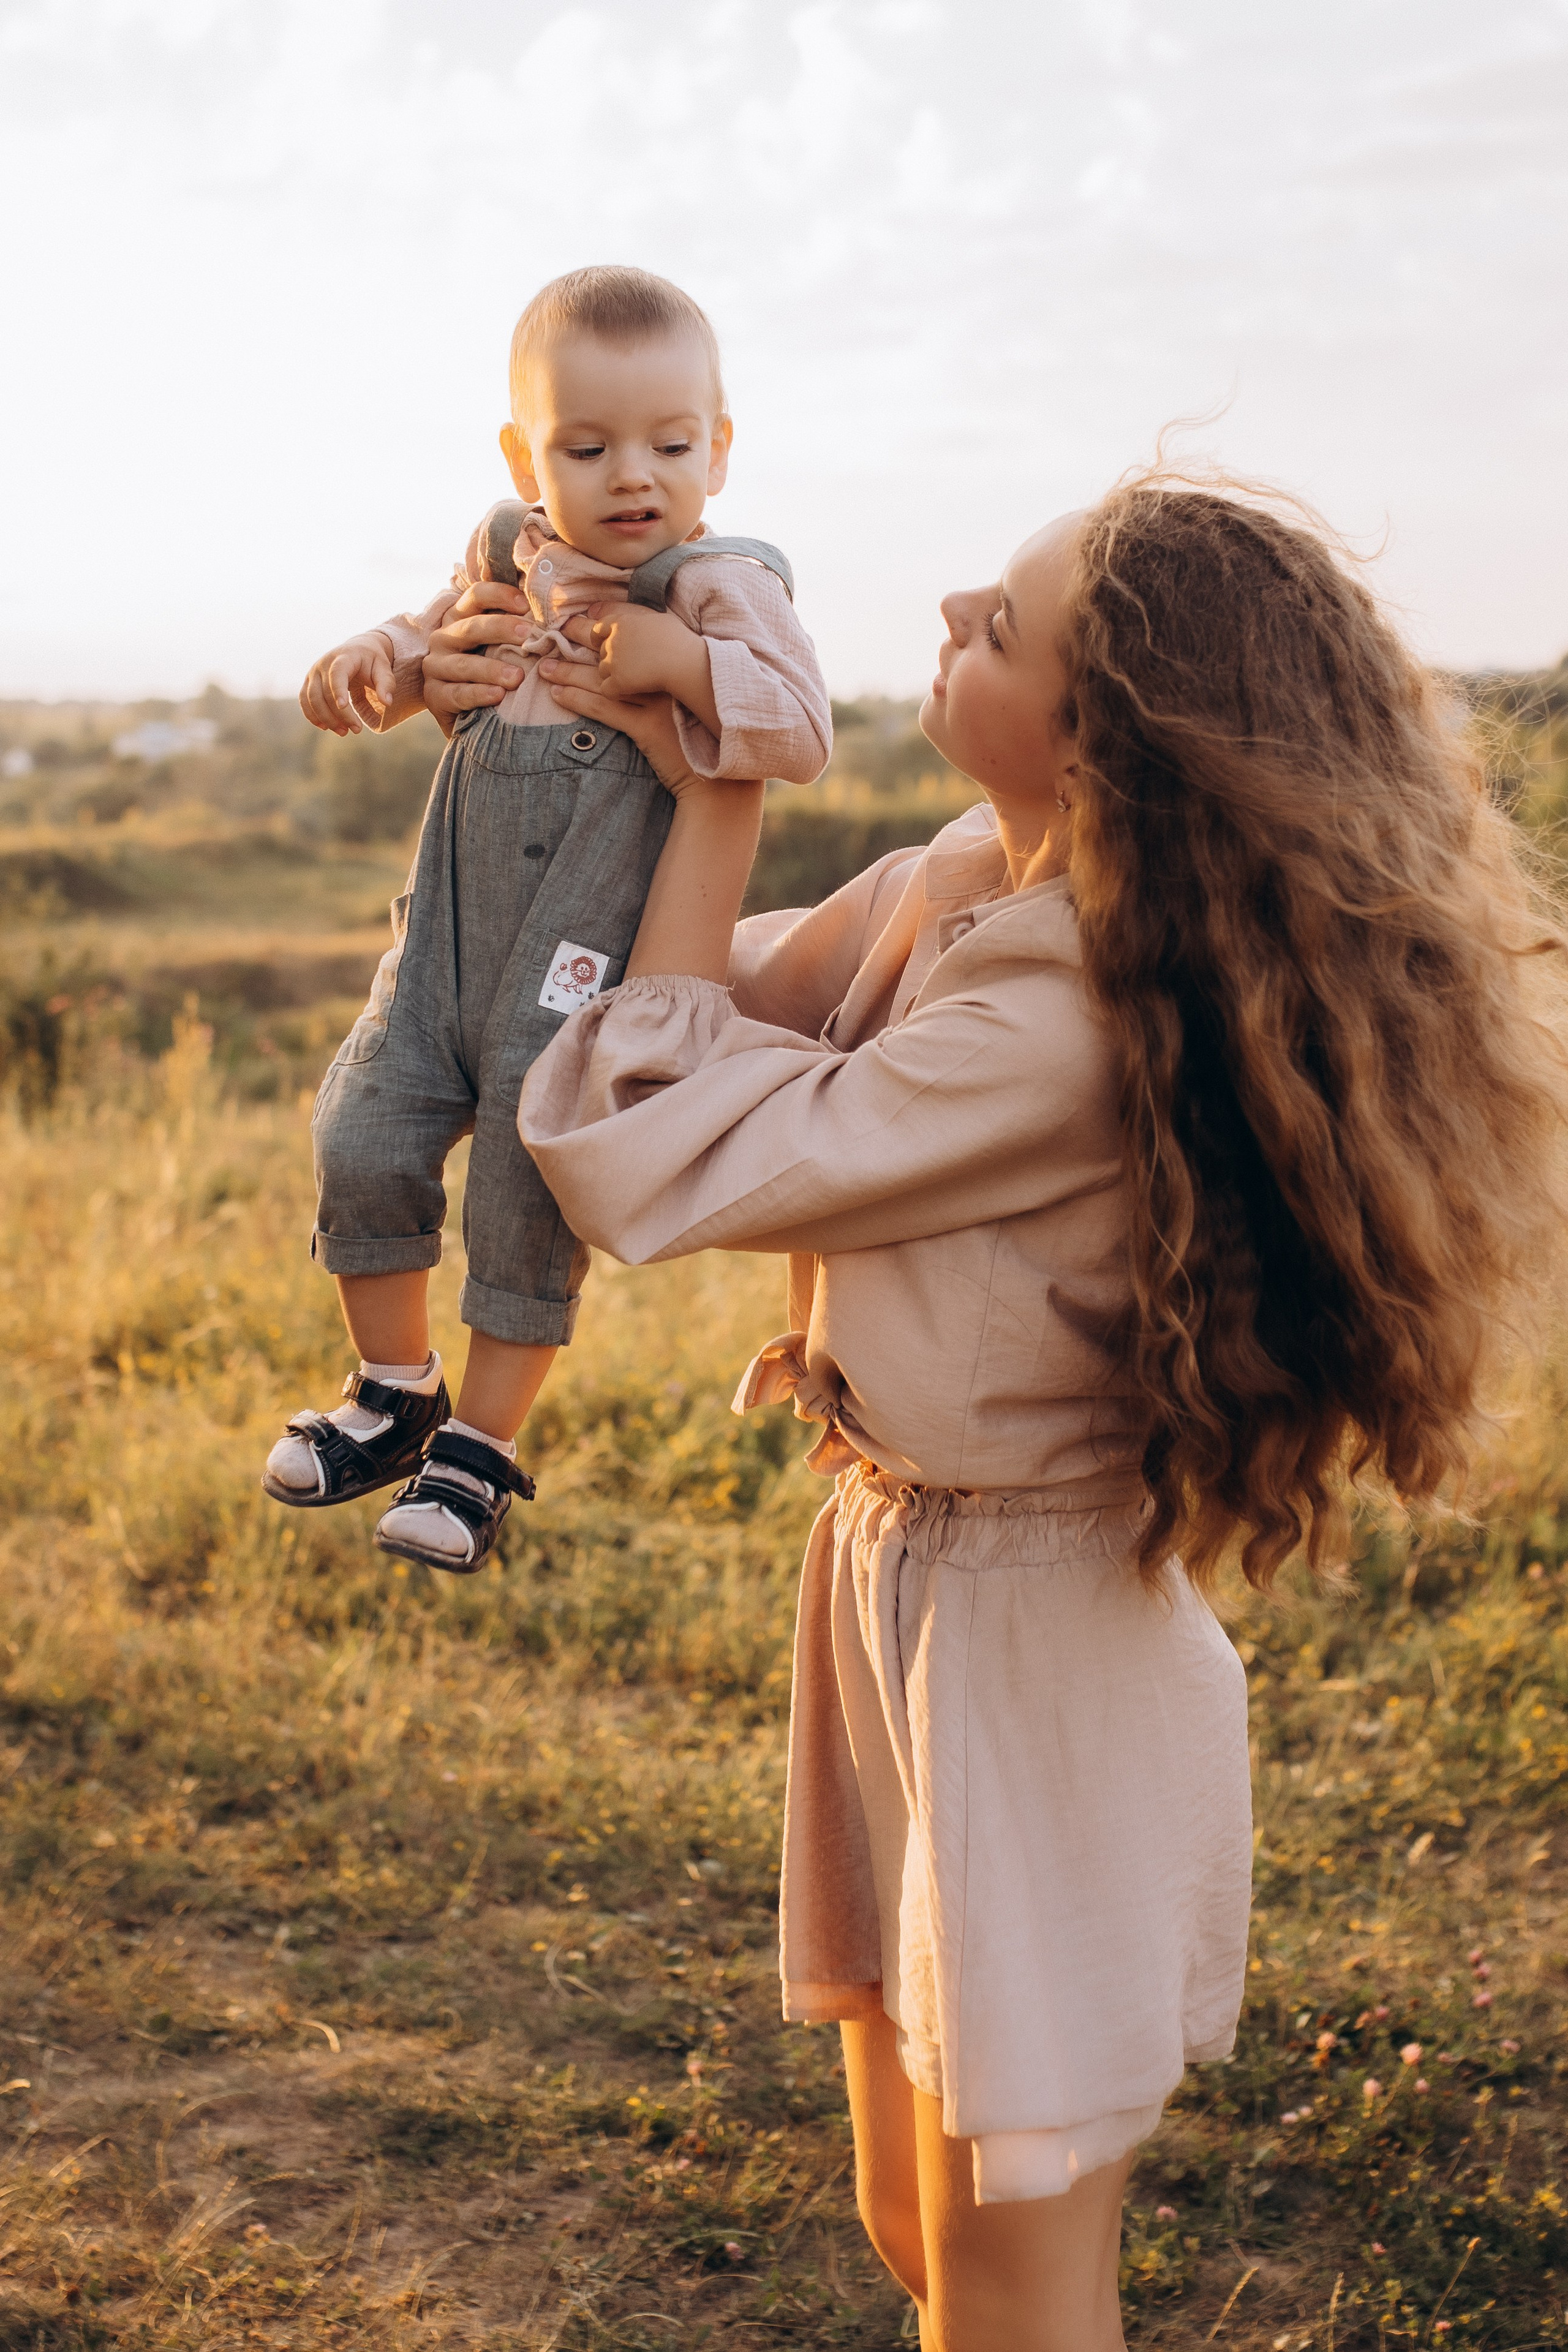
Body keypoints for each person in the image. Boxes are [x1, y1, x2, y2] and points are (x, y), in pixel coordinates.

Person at [423, 473, 1565, 2349]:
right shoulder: (975, 878)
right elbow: (689, 993)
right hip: (899, 1585)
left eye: (1007, 623)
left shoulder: (1071, 1017)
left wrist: (727, 782)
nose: (954, 600)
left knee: (1016, 2298)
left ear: (1110, 747)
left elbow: (644, 1148)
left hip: (1028, 1653)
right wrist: (604, 720)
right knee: (913, 2227)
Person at [262, 266, 831, 1572]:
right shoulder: (499, 557)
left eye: (671, 445)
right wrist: (371, 661)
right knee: (362, 1127)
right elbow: (416, 647)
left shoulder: (712, 590)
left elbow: (798, 731)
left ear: (720, 451)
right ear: (527, 459)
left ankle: (485, 1445)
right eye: (587, 448)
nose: (633, 476)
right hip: (440, 940)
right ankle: (396, 1388)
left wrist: (681, 666)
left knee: (525, 1184)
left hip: (575, 966)